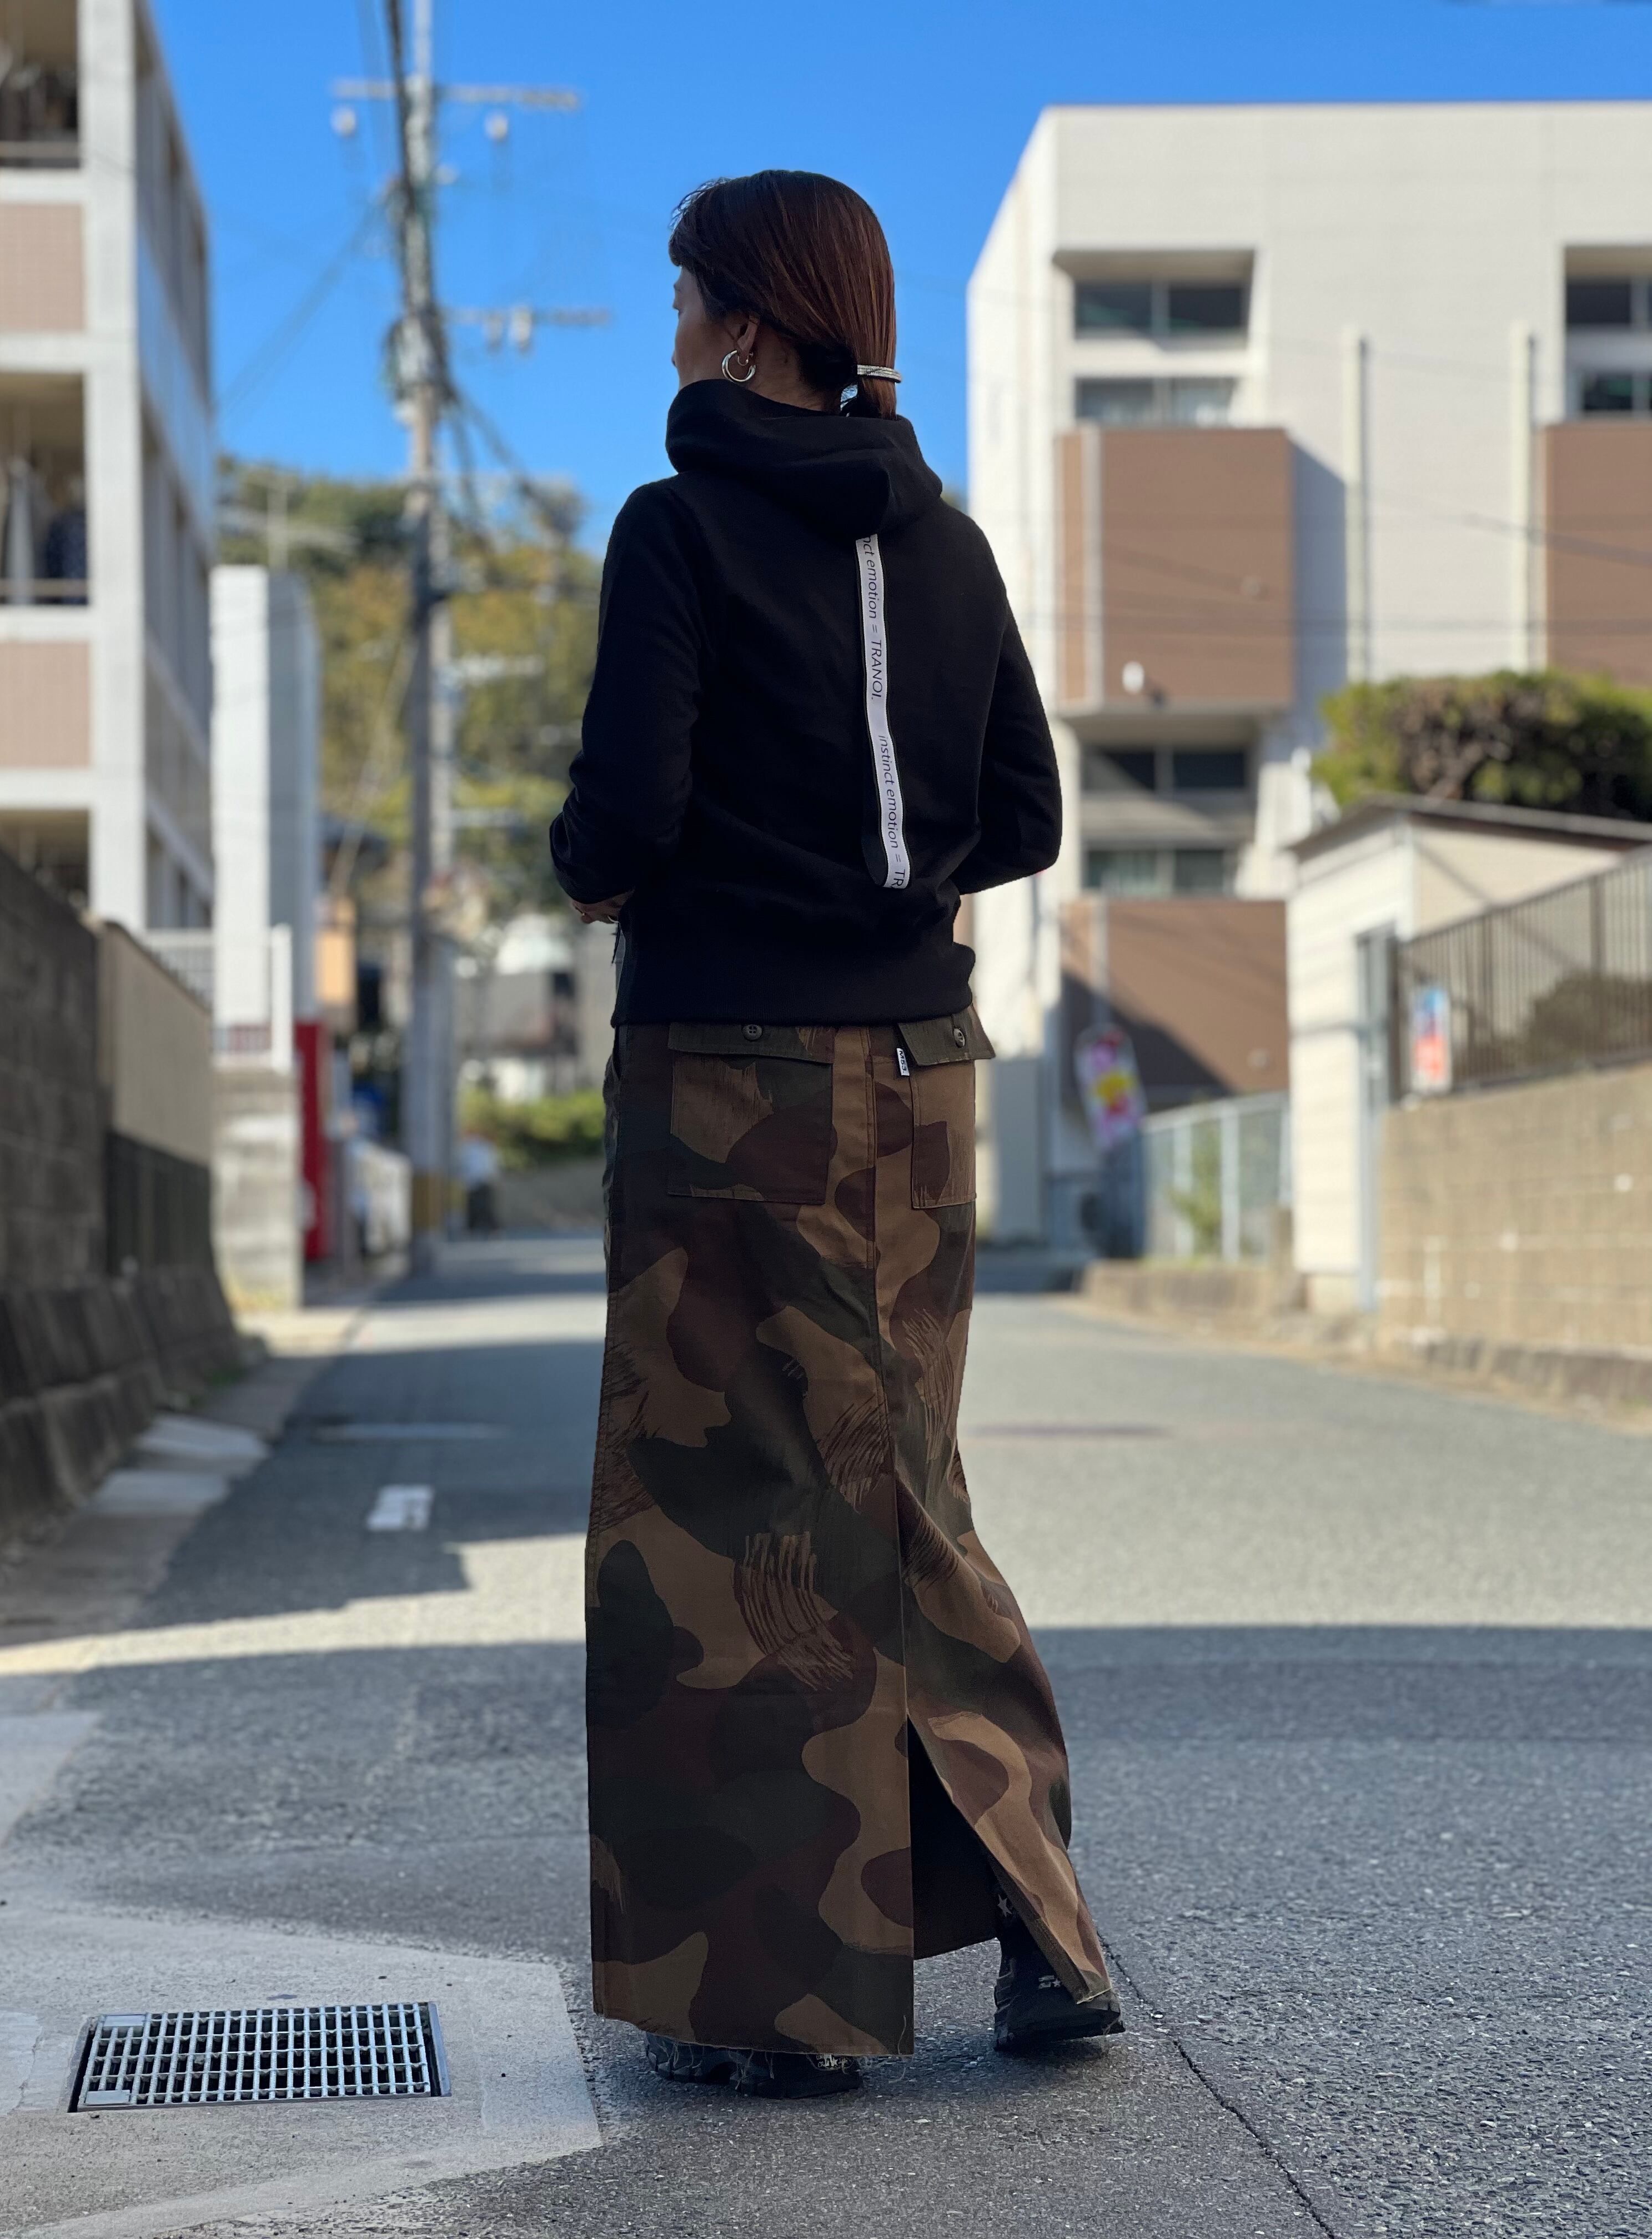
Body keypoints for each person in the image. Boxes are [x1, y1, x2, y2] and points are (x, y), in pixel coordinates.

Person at [550, 169, 1120, 2102]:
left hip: (729, 1080)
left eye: (683, 298)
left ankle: (780, 2011)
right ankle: (1048, 1933)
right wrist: (890, 892)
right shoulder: (946, 542)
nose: (673, 330)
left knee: (730, 1524)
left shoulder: (678, 527)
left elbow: (626, 815)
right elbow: (1025, 815)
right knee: (904, 1486)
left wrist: (605, 870)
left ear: (738, 321)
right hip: (921, 1073)